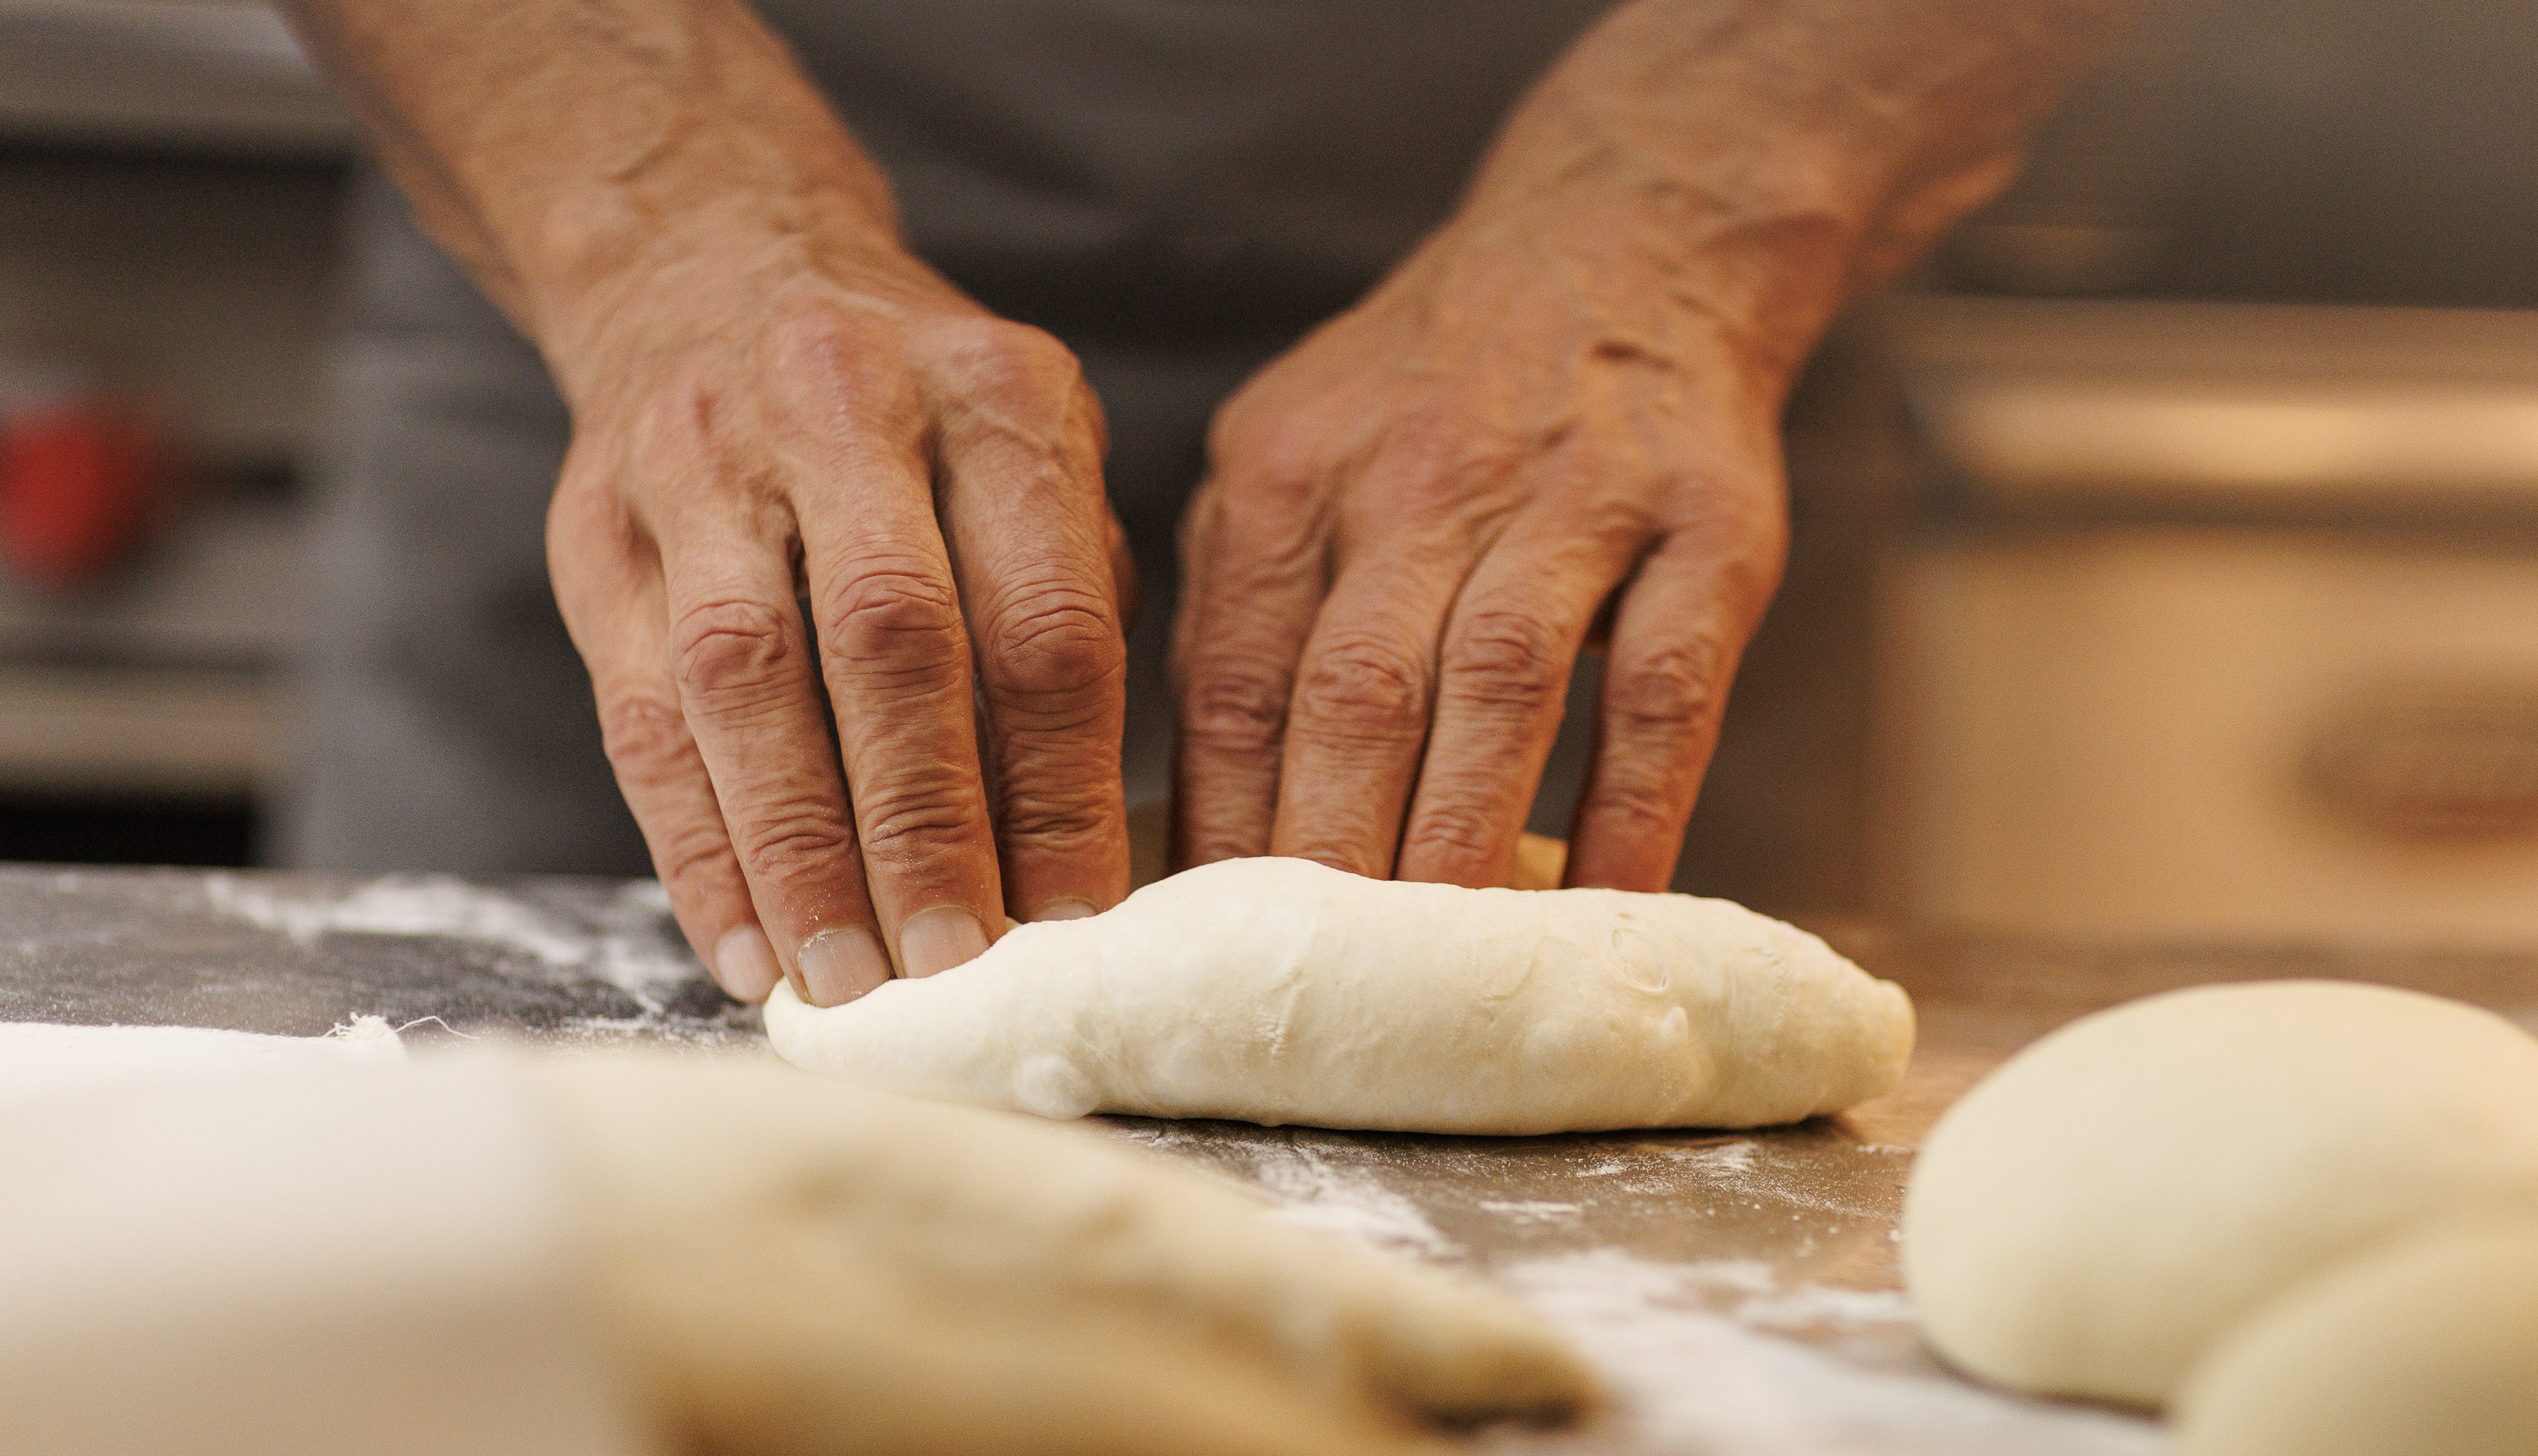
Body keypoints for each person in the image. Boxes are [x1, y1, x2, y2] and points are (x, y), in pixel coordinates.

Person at [272, 0, 2135, 1009]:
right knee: (526, 1245)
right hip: (635, 242)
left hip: (1644, 319)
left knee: (1663, 1258)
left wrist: (1697, 206)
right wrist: (659, 232)